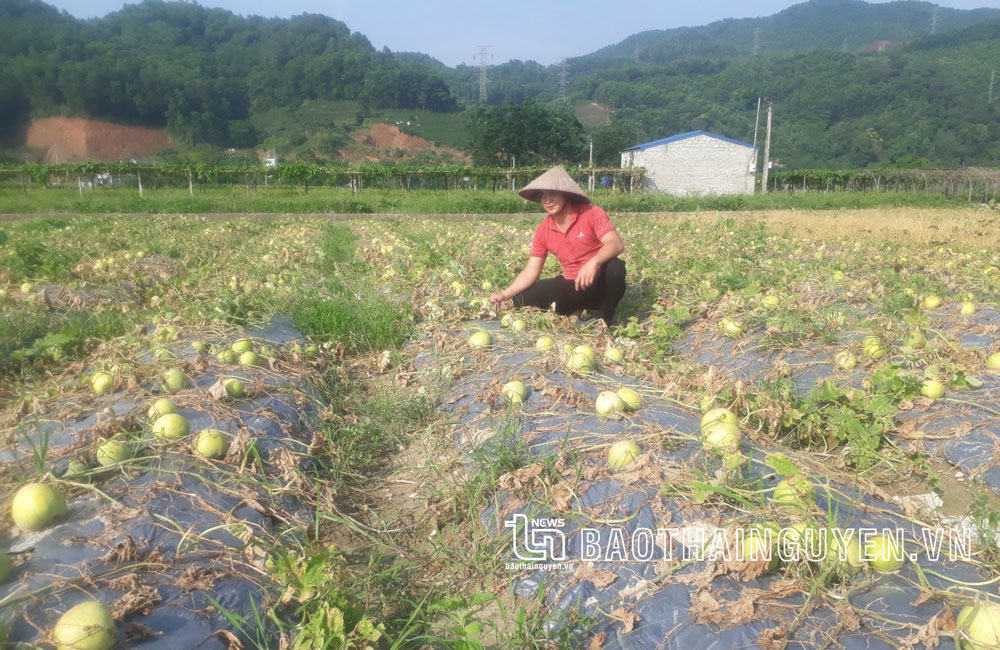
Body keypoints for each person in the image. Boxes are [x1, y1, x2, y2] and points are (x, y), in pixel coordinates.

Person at [489, 166, 626, 324]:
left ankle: (604, 315)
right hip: (573, 285)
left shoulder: (592, 213)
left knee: (615, 267)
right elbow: (531, 271)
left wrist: (593, 263)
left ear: (566, 194)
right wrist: (505, 294)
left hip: (599, 281)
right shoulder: (543, 230)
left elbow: (615, 243)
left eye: (553, 193)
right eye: (543, 195)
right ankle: (577, 306)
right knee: (522, 298)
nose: (547, 200)